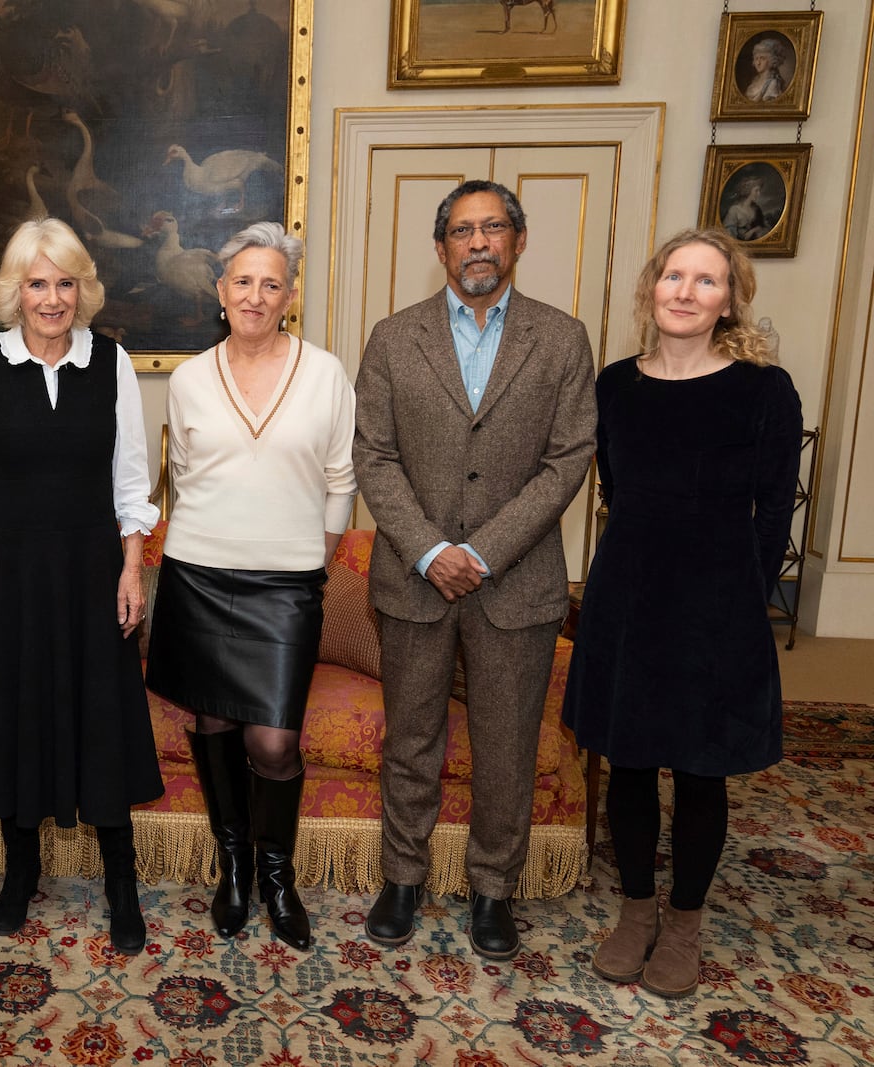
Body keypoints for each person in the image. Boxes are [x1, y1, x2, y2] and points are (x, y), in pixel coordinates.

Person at [353, 179, 596, 960]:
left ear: (519, 241)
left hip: (514, 584)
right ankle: (402, 877)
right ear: (441, 248)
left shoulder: (562, 339)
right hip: (413, 580)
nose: (479, 242)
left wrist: (483, 551)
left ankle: (495, 889)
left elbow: (567, 461)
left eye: (495, 227)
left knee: (506, 745)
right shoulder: (394, 338)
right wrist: (430, 550)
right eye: (463, 231)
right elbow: (374, 456)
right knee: (411, 739)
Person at [563, 229, 801, 998]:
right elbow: (613, 492)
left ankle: (686, 919)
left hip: (719, 604)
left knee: (701, 770)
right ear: (652, 286)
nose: (687, 291)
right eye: (674, 275)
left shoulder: (765, 390)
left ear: (730, 298)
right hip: (628, 593)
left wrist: (744, 597)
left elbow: (773, 517)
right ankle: (636, 910)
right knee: (629, 759)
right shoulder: (614, 385)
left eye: (707, 280)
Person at [0, 218, 162, 954]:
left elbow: (132, 483)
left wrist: (133, 568)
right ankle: (18, 871)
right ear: (15, 290)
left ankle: (120, 877)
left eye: (65, 282)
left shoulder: (114, 363)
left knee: (102, 716)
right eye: (38, 282)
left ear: (82, 289)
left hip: (94, 575)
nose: (53, 297)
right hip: (9, 579)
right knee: (18, 716)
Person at [145, 222, 357, 951]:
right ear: (219, 291)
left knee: (272, 741)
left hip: (286, 585)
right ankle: (232, 866)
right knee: (213, 724)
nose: (256, 295)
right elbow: (185, 482)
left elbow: (340, 480)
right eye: (242, 281)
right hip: (198, 574)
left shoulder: (326, 373)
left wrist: (313, 559)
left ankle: (277, 873)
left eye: (272, 283)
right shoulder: (189, 378)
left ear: (290, 296)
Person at [743, 37, 788, 102]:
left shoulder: (773, 83)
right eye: (756, 59)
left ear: (772, 61)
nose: (758, 63)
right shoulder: (754, 81)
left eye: (762, 58)